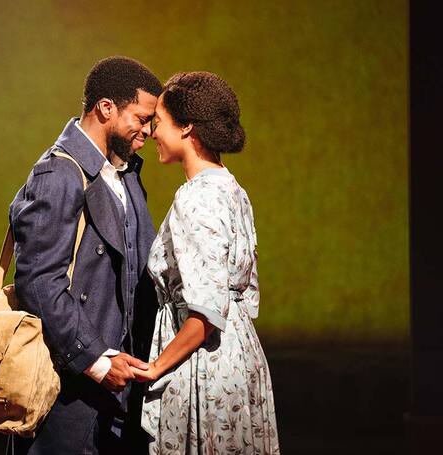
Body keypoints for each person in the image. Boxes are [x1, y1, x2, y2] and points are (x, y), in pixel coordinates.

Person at [9, 56, 162, 454]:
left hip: (119, 395)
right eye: (141, 118)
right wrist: (96, 360)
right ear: (106, 108)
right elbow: (40, 282)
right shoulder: (57, 175)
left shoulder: (125, 175)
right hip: (70, 392)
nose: (148, 130)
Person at [132, 72, 281, 454]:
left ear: (187, 128)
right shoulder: (232, 189)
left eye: (159, 123)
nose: (151, 134)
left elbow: (206, 311)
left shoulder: (197, 198)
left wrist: (154, 368)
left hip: (206, 366)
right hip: (237, 356)